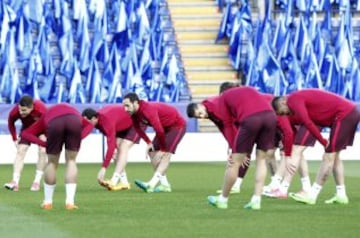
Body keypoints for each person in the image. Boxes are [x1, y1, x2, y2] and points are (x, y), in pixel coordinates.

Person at [272, 89, 360, 205]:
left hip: (345, 113)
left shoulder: (293, 100)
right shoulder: (294, 101)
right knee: (335, 157)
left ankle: (312, 195)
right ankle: (341, 195)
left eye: (283, 112)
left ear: (283, 102)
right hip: (347, 112)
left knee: (328, 156)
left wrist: (323, 142)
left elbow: (307, 122)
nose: (285, 115)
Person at [206, 86, 277, 210]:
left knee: (235, 162)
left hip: (251, 119)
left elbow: (227, 124)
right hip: (270, 117)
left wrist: (232, 149)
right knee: (261, 160)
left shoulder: (223, 97)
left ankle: (222, 199)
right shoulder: (249, 89)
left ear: (221, 92)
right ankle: (256, 200)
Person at [21, 103, 93, 210]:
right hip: (74, 119)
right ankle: (70, 202)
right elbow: (90, 125)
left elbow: (25, 134)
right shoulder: (72, 111)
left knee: (52, 163)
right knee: (71, 161)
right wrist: (79, 138)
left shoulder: (44, 116)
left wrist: (43, 143)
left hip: (55, 122)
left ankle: (47, 202)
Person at [122, 92, 186, 193]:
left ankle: (151, 184)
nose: (125, 109)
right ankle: (165, 185)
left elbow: (159, 130)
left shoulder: (147, 110)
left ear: (135, 103)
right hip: (164, 128)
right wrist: (148, 142)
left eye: (127, 106)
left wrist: (163, 149)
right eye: (124, 106)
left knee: (166, 155)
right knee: (151, 151)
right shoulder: (134, 114)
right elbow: (138, 128)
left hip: (177, 126)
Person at [82, 106, 144, 191]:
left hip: (136, 121)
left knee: (123, 148)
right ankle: (124, 182)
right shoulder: (97, 122)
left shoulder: (106, 121)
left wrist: (104, 168)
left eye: (87, 122)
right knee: (115, 153)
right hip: (123, 126)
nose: (86, 125)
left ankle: (114, 181)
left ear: (93, 119)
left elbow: (110, 145)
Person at [5, 95, 47, 192]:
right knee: (20, 151)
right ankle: (15, 182)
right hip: (27, 130)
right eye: (20, 109)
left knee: (43, 151)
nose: (20, 112)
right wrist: (14, 138)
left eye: (24, 110)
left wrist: (45, 136)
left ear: (32, 107)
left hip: (41, 129)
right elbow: (10, 123)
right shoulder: (15, 111)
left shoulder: (41, 109)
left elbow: (48, 122)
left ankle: (36, 182)